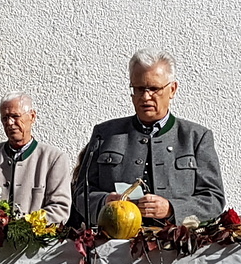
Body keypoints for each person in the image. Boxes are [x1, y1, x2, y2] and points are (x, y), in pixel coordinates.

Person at [73, 49, 225, 226]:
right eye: (139, 89)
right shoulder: (105, 134)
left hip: (177, 240)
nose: (145, 97)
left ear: (172, 89)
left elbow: (214, 199)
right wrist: (105, 202)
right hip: (117, 239)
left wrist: (171, 209)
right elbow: (81, 193)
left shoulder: (196, 137)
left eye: (154, 89)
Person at [0, 92, 72, 224]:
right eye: (5, 118)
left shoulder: (54, 159)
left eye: (15, 116)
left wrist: (23, 227)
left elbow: (60, 209)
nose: (10, 123)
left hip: (35, 235)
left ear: (32, 116)